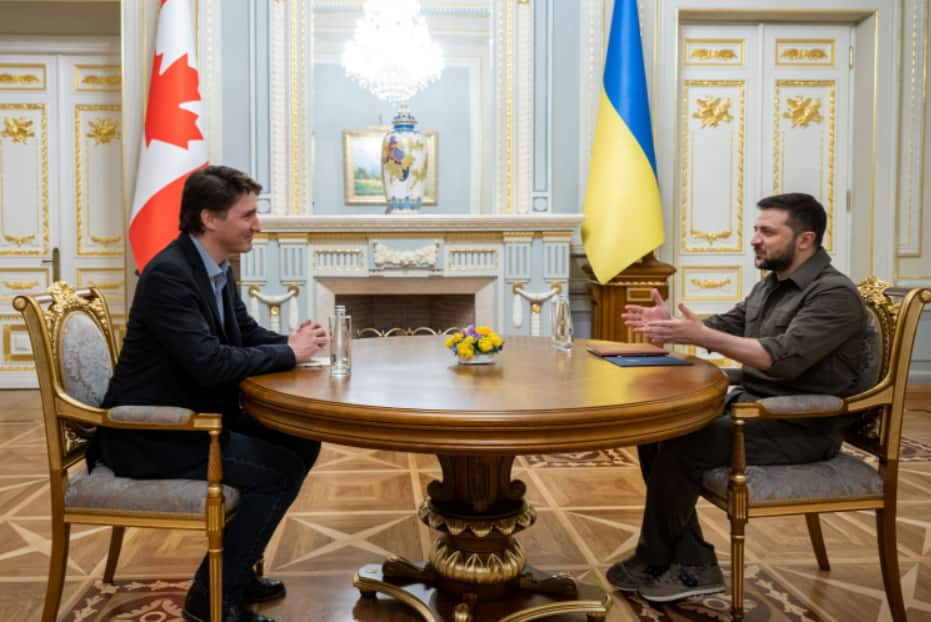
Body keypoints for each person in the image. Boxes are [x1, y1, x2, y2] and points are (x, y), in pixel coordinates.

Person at [90, 165, 328, 622]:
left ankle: (236, 567)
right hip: (151, 436)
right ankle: (211, 596)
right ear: (210, 219)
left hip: (197, 417)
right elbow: (210, 362)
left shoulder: (214, 266)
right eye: (248, 215)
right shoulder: (169, 276)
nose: (258, 225)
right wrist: (289, 355)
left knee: (301, 439)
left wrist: (292, 344)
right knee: (277, 470)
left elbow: (242, 332)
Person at [608, 193, 873, 602]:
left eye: (767, 231)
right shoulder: (772, 285)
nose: (754, 239)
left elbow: (779, 360)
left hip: (800, 426)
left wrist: (701, 336)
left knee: (684, 439)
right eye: (755, 229)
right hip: (755, 410)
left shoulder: (834, 296)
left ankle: (665, 559)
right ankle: (687, 559)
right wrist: (677, 326)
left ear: (805, 239)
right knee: (656, 429)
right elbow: (728, 325)